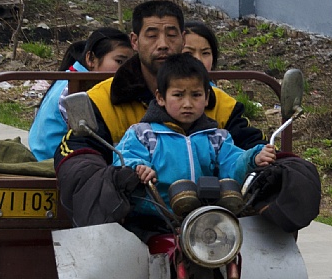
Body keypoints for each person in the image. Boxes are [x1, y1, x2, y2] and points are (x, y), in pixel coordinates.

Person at [56, 0, 265, 226]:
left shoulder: (218, 102)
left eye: (171, 35)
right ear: (134, 41)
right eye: (152, 35)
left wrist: (259, 157)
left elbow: (244, 150)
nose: (163, 44)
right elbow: (77, 151)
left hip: (212, 222)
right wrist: (124, 176)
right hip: (139, 220)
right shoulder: (103, 99)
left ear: (183, 39)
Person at [116, 54, 276, 219]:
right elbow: (123, 158)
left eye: (196, 95)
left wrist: (253, 158)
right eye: (178, 95)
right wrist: (139, 167)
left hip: (207, 218)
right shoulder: (143, 134)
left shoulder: (217, 138)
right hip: (155, 218)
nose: (187, 104)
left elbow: (233, 164)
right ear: (160, 98)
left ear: (207, 97)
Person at [28, 28, 132, 160]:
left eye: (131, 63)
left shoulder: (71, 78)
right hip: (54, 162)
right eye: (119, 62)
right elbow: (94, 139)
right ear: (91, 59)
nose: (127, 69)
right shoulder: (78, 90)